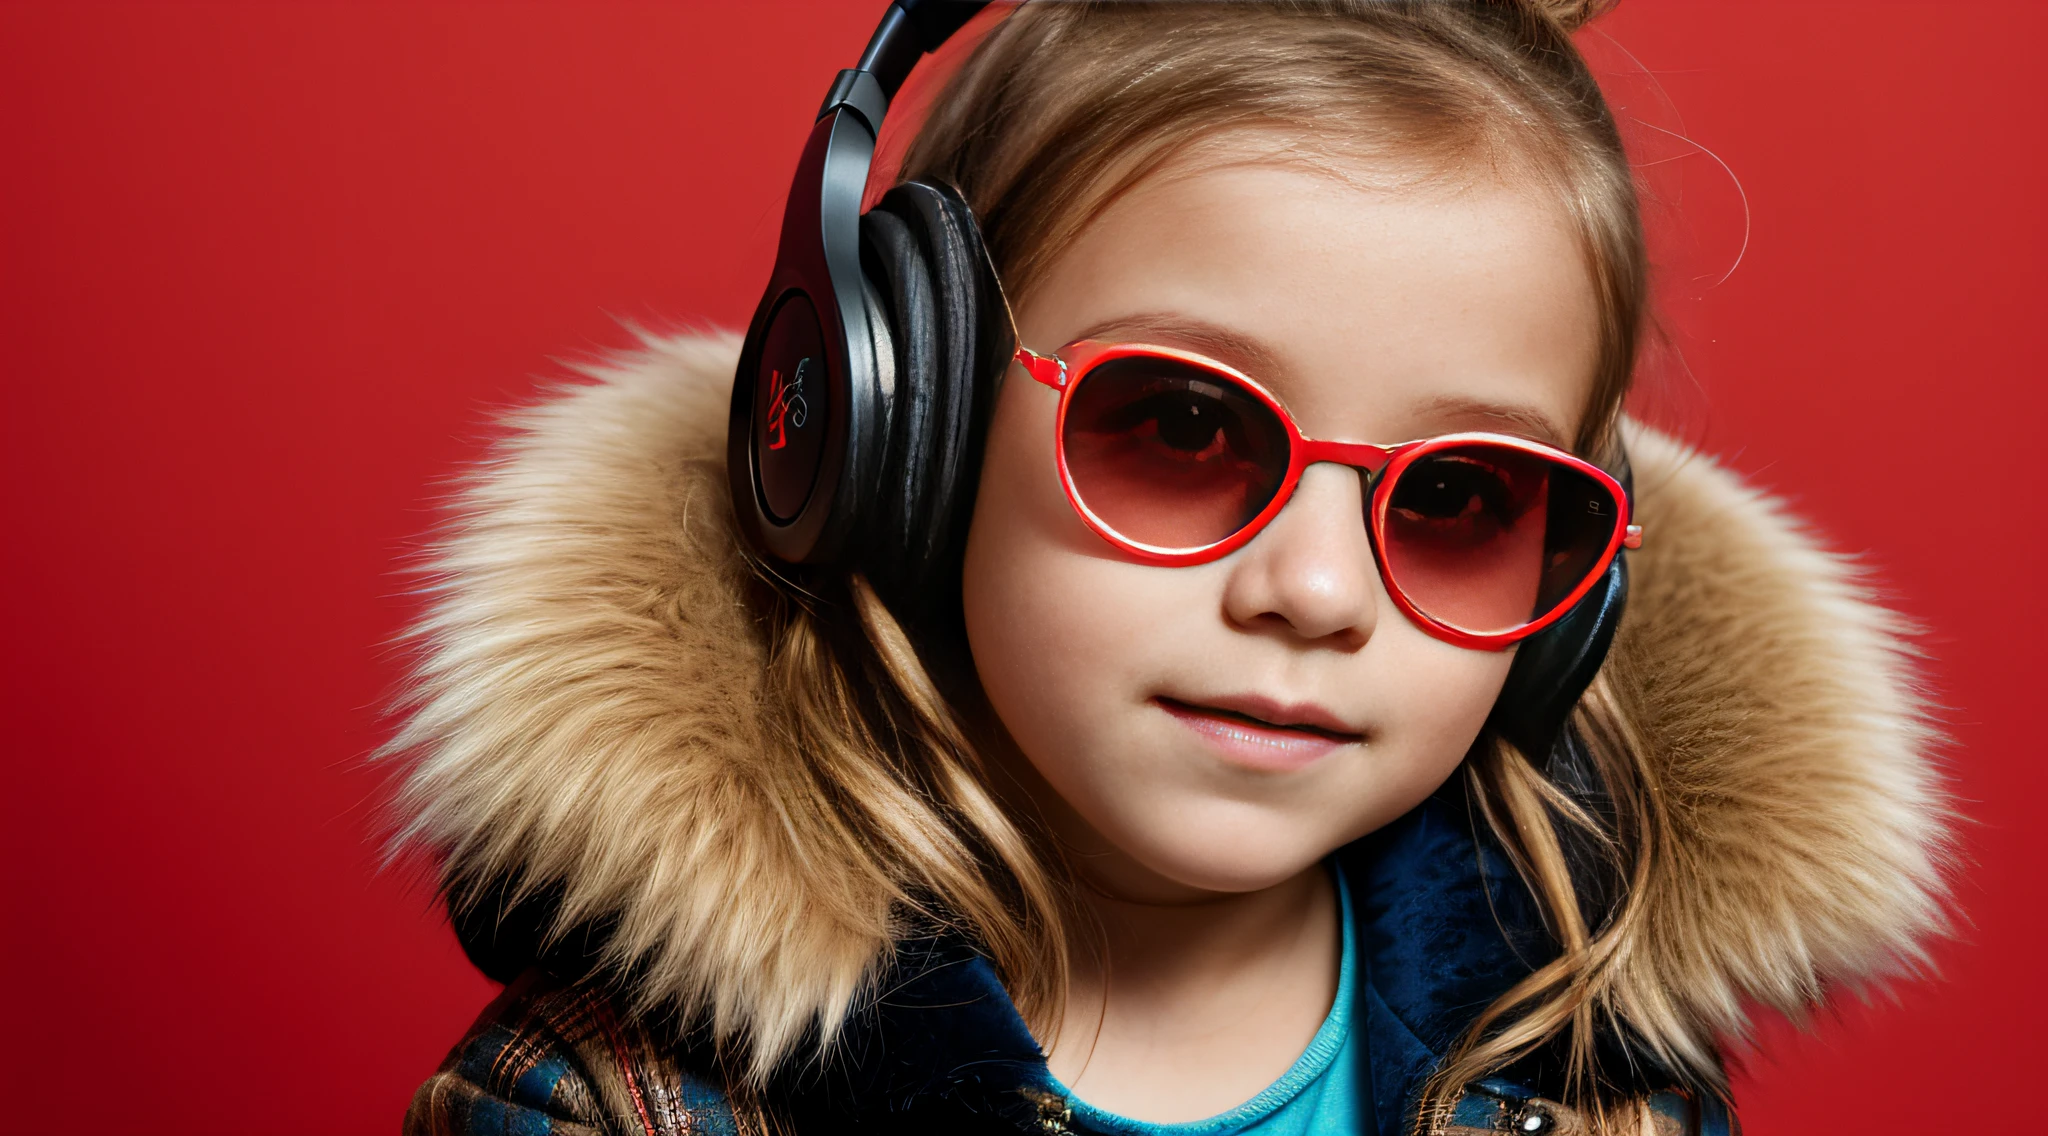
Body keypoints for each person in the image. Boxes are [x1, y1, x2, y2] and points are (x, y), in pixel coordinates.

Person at [388, 2, 1948, 1133]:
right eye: (1187, 425)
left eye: (1463, 495)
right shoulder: (622, 1099)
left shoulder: (1600, 1078)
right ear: (897, 439)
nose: (1318, 594)